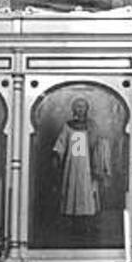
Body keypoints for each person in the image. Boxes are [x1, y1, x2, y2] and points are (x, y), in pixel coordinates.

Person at [52, 97, 110, 234]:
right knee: (71, 191)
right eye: (77, 106)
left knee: (88, 192)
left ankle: (88, 223)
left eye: (83, 106)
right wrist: (56, 155)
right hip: (72, 166)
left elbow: (100, 143)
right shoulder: (68, 126)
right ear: (73, 109)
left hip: (89, 165)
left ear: (87, 109)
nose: (80, 109)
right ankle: (71, 223)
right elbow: (61, 143)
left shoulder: (92, 126)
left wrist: (100, 157)